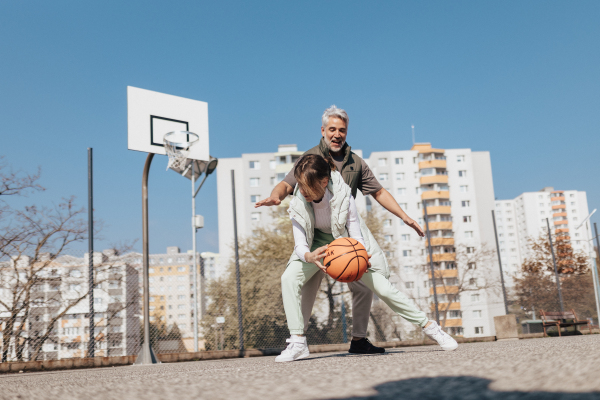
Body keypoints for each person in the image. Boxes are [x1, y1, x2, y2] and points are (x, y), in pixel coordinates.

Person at [255, 105, 425, 354]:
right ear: (323, 131)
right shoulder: (311, 157)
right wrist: (275, 197)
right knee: (305, 284)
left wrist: (404, 216)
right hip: (315, 234)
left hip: (344, 232)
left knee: (364, 284)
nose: (337, 134)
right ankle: (298, 340)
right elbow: (286, 184)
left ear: (346, 132)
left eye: (342, 130)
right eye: (332, 129)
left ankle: (358, 340)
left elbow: (378, 191)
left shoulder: (355, 162)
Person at [274, 154, 457, 362]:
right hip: (315, 245)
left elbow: (356, 230)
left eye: (307, 186)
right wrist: (308, 256)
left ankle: (431, 328)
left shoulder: (343, 194)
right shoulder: (298, 199)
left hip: (345, 242)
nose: (302, 191)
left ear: (324, 182)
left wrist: (359, 253)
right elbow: (299, 243)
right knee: (288, 279)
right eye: (300, 185)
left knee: (384, 289)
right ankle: (297, 342)